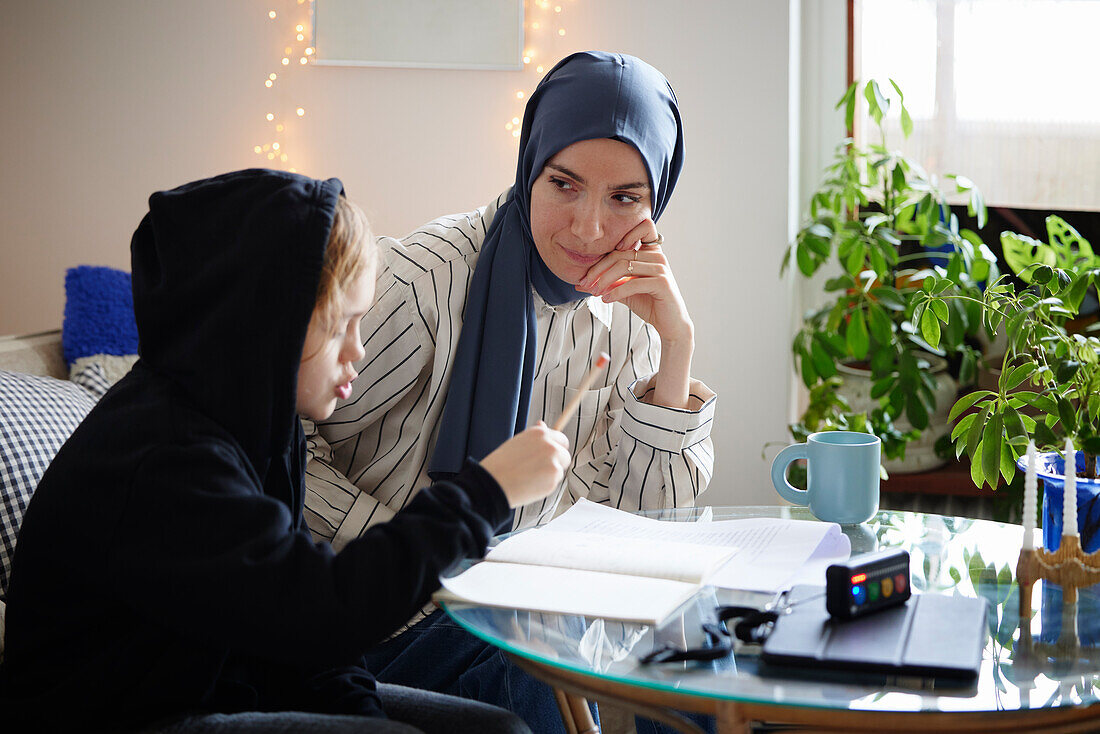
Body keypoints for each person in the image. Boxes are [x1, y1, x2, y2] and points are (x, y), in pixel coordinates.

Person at [0, 169, 573, 733]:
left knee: (493, 727)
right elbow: (322, 613)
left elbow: (300, 644)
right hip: (130, 716)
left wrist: (358, 710)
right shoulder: (166, 456)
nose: (360, 351)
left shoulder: (265, 426)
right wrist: (485, 492)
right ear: (264, 323)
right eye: (340, 325)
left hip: (228, 686)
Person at [303, 52, 717, 732]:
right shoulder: (418, 285)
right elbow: (282, 444)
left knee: (694, 630)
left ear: (656, 201)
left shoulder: (631, 313)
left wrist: (676, 348)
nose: (587, 228)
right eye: (564, 184)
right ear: (531, 167)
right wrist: (424, 552)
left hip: (519, 613)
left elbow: (640, 526)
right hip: (380, 623)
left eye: (624, 199)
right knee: (535, 643)